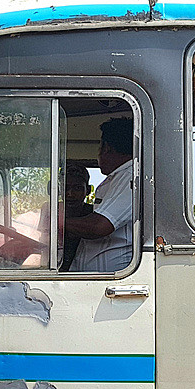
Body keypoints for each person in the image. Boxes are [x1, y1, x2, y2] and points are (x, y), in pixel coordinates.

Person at [67, 117, 135, 273]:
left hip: (113, 280)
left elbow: (99, 226)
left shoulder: (130, 176)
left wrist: (56, 224)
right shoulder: (117, 178)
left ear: (106, 148)